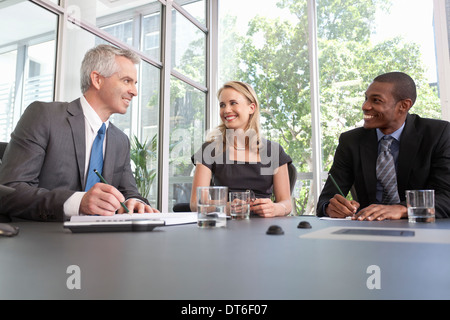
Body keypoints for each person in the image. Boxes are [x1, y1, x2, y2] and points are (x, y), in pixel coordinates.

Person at [0, 44, 159, 222]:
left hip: (104, 243)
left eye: (134, 83)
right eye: (126, 81)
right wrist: (77, 203)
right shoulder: (44, 116)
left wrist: (134, 202)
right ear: (97, 79)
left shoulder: (120, 140)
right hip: (44, 240)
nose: (134, 92)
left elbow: (129, 192)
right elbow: (10, 189)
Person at [317, 71, 450, 220]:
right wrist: (330, 207)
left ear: (404, 105)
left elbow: (446, 197)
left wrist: (402, 209)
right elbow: (325, 200)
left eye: (376, 101)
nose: (365, 106)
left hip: (424, 232)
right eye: (366, 99)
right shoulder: (351, 141)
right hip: (369, 230)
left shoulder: (438, 134)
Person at [191, 81, 292, 217]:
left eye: (233, 103)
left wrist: (275, 208)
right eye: (222, 105)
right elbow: (195, 203)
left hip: (265, 227)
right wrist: (224, 207)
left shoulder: (274, 150)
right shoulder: (210, 149)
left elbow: (286, 203)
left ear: (251, 108)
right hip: (226, 225)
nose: (226, 110)